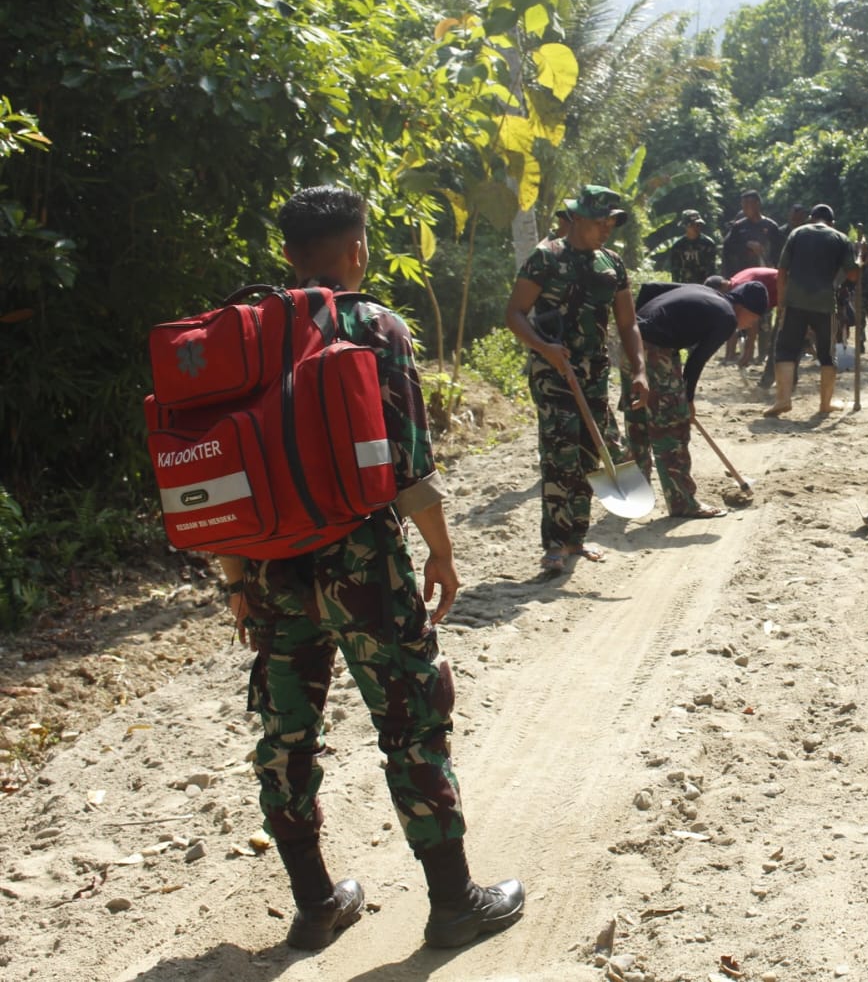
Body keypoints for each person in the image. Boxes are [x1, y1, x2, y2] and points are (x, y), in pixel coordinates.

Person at [219, 185, 522, 953]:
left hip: (268, 566)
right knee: (411, 721)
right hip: (363, 562)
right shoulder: (375, 326)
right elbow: (407, 463)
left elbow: (226, 478)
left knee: (286, 734)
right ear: (357, 249)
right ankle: (453, 904)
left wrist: (235, 580)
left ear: (285, 253)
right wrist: (441, 552)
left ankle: (315, 904)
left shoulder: (241, 333)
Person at [506, 185, 650, 573]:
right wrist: (545, 348)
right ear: (578, 219)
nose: (606, 230)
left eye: (611, 224)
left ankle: (576, 539)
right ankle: (554, 544)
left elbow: (628, 323)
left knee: (591, 452)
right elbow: (515, 313)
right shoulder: (546, 258)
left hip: (594, 372)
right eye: (600, 223)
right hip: (553, 371)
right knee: (559, 453)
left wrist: (639, 369)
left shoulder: (611, 264)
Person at [624, 280, 769, 518]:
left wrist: (640, 327)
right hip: (655, 352)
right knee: (672, 428)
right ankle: (682, 501)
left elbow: (651, 287)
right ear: (744, 308)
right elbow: (696, 360)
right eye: (753, 319)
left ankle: (635, 492)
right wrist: (687, 400)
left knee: (638, 419)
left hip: (631, 345)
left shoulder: (706, 291)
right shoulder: (727, 318)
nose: (750, 325)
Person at [767, 203, 857, 417]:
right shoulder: (841, 238)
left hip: (795, 302)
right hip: (825, 304)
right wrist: (860, 259)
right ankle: (826, 403)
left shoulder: (797, 233)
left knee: (785, 350)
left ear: (811, 219)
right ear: (832, 223)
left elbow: (782, 271)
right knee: (827, 354)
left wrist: (782, 304)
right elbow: (853, 274)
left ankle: (783, 399)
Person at [727, 264, 781, 372]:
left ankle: (761, 358)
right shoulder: (736, 287)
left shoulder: (740, 289)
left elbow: (752, 319)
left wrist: (748, 351)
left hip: (781, 288)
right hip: (770, 291)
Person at [721, 190, 784, 277]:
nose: (744, 209)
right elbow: (729, 248)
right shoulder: (738, 226)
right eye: (743, 205)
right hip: (744, 273)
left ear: (757, 204)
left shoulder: (771, 226)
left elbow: (779, 253)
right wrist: (747, 244)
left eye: (747, 205)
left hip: (766, 272)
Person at [666, 209, 719, 284]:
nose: (696, 228)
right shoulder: (678, 246)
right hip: (685, 285)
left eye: (698, 225)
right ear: (685, 226)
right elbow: (675, 271)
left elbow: (711, 269)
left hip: (704, 285)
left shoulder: (708, 244)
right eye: (692, 225)